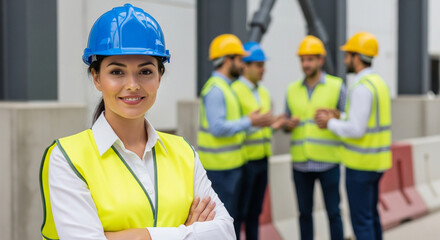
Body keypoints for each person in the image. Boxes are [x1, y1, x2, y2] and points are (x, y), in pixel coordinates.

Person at [39, 4, 235, 240]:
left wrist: (139, 236)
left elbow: (225, 232)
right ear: (96, 77)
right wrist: (185, 232)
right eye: (117, 72)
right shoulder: (66, 159)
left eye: (145, 71)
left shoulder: (184, 153)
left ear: (159, 76)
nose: (132, 84)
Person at [315, 32, 391, 240]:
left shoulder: (360, 88)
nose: (344, 59)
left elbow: (357, 129)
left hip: (360, 165)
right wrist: (341, 115)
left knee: (361, 222)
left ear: (357, 57)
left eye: (347, 55)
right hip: (376, 163)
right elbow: (365, 119)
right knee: (371, 217)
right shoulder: (378, 83)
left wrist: (329, 122)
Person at [197, 34, 273, 238]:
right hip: (221, 169)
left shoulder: (226, 88)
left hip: (231, 167)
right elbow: (218, 128)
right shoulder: (215, 90)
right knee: (226, 223)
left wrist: (256, 123)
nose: (242, 64)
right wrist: (250, 121)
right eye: (240, 59)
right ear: (228, 60)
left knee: (235, 218)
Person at [283, 35, 345, 240]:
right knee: (304, 214)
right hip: (301, 164)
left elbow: (349, 119)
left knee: (334, 213)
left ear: (320, 60)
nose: (305, 64)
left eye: (310, 59)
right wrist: (287, 124)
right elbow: (286, 122)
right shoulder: (292, 89)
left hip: (328, 162)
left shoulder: (336, 86)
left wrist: (337, 115)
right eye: (302, 59)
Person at [231, 42, 283, 240]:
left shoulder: (264, 92)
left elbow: (263, 124)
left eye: (263, 64)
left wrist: (274, 124)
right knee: (238, 213)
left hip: (263, 159)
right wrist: (258, 124)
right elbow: (236, 125)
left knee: (255, 213)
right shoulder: (235, 91)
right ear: (245, 65)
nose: (263, 69)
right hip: (244, 162)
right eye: (259, 65)